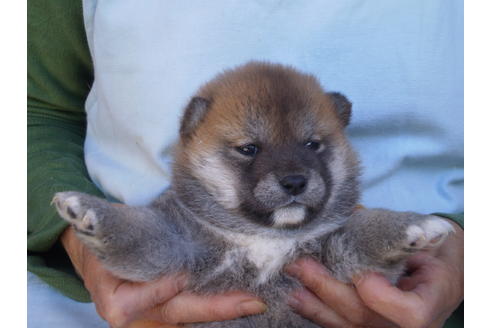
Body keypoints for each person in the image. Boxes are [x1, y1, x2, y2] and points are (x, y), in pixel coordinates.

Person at [28, 1, 463, 327]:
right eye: (248, 150)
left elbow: (356, 247)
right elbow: (34, 110)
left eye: (313, 145)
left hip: (432, 306)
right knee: (155, 245)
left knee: (359, 244)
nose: (293, 174)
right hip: (123, 311)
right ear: (194, 132)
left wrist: (466, 248)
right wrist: (78, 238)